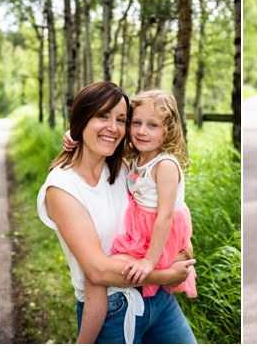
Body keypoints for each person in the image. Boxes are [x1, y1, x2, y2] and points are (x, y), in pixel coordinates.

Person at [38, 82, 197, 344]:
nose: (114, 127)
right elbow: (98, 272)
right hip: (113, 309)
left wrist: (184, 253)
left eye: (121, 119)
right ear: (81, 119)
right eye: (103, 116)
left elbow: (174, 220)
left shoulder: (126, 169)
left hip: (159, 299)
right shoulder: (63, 188)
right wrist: (166, 274)